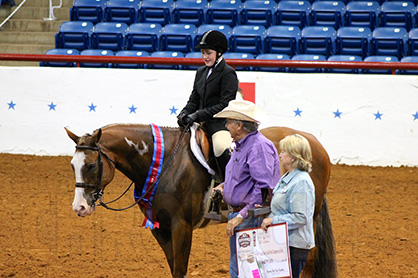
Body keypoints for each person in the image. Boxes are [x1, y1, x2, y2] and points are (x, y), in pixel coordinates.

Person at [211, 100, 281, 278]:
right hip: (244, 215)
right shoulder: (243, 146)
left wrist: (241, 216)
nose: (226, 126)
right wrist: (223, 186)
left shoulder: (258, 147)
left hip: (250, 216)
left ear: (239, 125)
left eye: (228, 122)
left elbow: (263, 188)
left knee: (246, 267)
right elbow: (242, 179)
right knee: (241, 265)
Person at [177, 30, 238, 179]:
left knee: (220, 148)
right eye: (203, 53)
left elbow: (225, 104)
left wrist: (198, 115)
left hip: (220, 124)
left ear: (219, 53)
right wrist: (184, 113)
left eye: (208, 53)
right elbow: (194, 99)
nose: (205, 57)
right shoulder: (201, 72)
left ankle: (228, 184)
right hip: (200, 123)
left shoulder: (227, 73)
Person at [260, 134, 316, 278]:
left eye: (284, 151)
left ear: (293, 157)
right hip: (285, 242)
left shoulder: (301, 182)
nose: (280, 155)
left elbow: (300, 217)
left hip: (294, 245)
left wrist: (273, 220)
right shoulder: (288, 178)